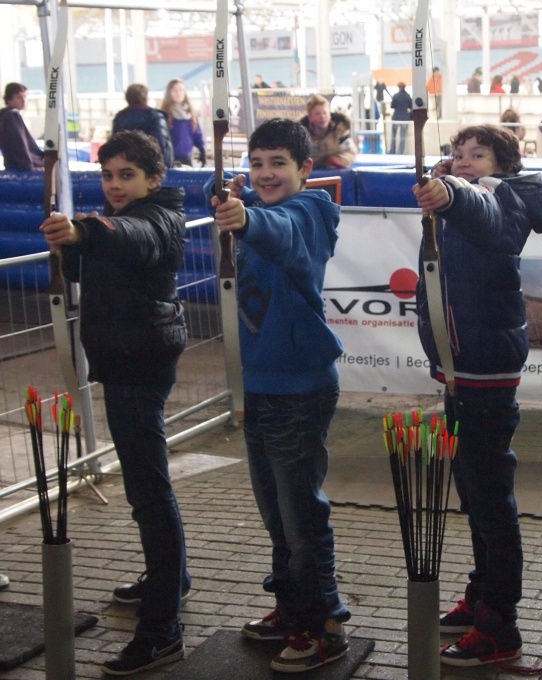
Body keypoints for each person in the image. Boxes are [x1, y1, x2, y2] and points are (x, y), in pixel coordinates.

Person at [40, 130, 189, 676]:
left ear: (154, 179)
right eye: (107, 176)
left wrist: (84, 229)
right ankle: (172, 579)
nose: (115, 185)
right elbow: (101, 253)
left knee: (149, 495)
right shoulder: (120, 219)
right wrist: (75, 243)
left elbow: (132, 235)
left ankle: (162, 630)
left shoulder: (158, 218)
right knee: (149, 487)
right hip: (126, 358)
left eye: (127, 175)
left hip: (140, 364)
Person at [207, 117, 351, 674]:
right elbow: (231, 199)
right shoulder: (255, 206)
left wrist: (243, 215)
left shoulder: (311, 212)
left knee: (300, 514)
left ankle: (323, 624)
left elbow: (282, 233)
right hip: (258, 386)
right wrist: (227, 194)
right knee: (275, 513)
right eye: (257, 164)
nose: (266, 174)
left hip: (299, 387)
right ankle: (290, 605)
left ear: (305, 170)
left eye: (278, 164)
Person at [412, 124, 542, 666]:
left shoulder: (507, 196)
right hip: (459, 365)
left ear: (503, 162)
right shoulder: (464, 197)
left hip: (485, 368)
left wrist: (452, 193)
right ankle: (481, 594)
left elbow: (487, 214)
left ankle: (500, 625)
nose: (465, 160)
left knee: (491, 498)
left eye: (479, 154)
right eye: (458, 153)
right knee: (472, 490)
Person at [112, 83, 174, 170]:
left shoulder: (119, 118)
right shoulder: (156, 117)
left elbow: (113, 147)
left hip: (125, 170)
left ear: (127, 98)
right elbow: (162, 146)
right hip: (150, 171)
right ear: (146, 97)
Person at [299, 95, 358, 169]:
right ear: (310, 118)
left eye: (325, 113)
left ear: (330, 115)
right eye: (317, 114)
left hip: (335, 170)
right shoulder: (302, 135)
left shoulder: (340, 130)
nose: (322, 117)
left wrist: (339, 160)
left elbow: (350, 152)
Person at [160, 79, 206, 168]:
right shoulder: (164, 114)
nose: (178, 93)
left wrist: (202, 150)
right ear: (169, 93)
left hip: (187, 157)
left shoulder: (191, 113)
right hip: (169, 159)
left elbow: (197, 133)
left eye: (181, 90)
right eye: (175, 90)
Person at [0, 82, 44, 171]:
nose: (23, 100)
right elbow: (19, 142)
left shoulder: (4, 115)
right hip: (23, 167)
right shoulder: (12, 115)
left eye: (25, 96)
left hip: (13, 166)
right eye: (19, 97)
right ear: (9, 100)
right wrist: (28, 167)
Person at [389, 82, 412, 155]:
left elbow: (392, 106)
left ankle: (392, 150)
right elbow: (410, 106)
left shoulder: (395, 96)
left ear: (398, 87)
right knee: (403, 136)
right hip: (405, 117)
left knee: (393, 136)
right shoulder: (408, 96)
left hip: (396, 117)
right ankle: (400, 152)